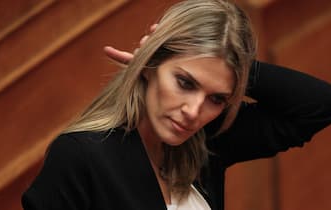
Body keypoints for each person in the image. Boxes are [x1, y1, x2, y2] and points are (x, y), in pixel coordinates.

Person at [22, 0, 331, 210]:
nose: (194, 111)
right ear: (149, 64)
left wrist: (234, 65)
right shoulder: (81, 155)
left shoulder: (207, 139)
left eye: (217, 98)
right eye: (185, 83)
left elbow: (318, 105)